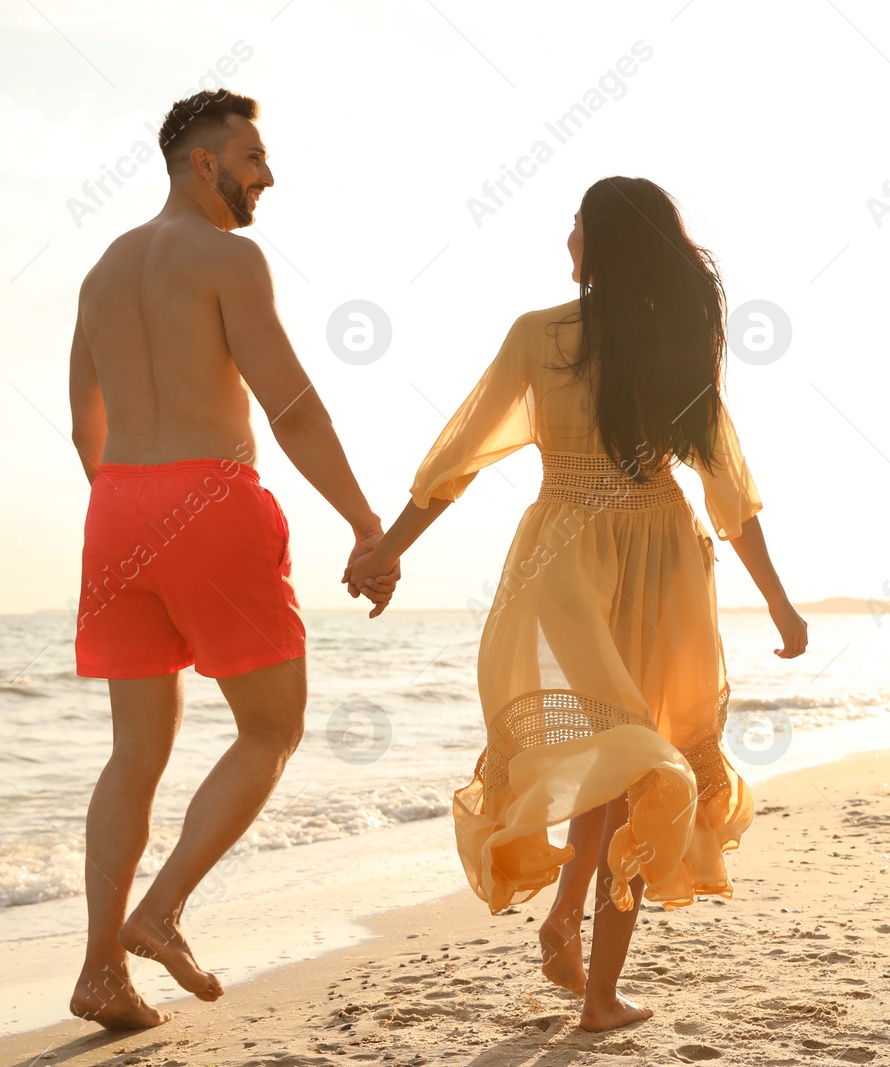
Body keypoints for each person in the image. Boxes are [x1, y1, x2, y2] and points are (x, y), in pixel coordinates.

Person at [345, 176, 808, 1032]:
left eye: (576, 228)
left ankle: (571, 933)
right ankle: (595, 988)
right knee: (633, 759)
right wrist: (780, 607)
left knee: (621, 754)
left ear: (602, 242)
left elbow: (459, 459)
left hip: (564, 552)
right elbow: (728, 496)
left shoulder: (541, 336)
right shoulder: (679, 339)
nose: (567, 242)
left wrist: (388, 547)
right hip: (662, 555)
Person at [65, 89, 396, 1029]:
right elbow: (288, 403)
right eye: (252, 156)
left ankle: (99, 972)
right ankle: (160, 912)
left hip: (116, 509)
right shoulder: (230, 258)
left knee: (134, 752)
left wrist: (127, 502)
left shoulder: (102, 270)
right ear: (202, 163)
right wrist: (365, 523)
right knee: (272, 725)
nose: (267, 173)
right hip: (207, 497)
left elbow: (84, 420)